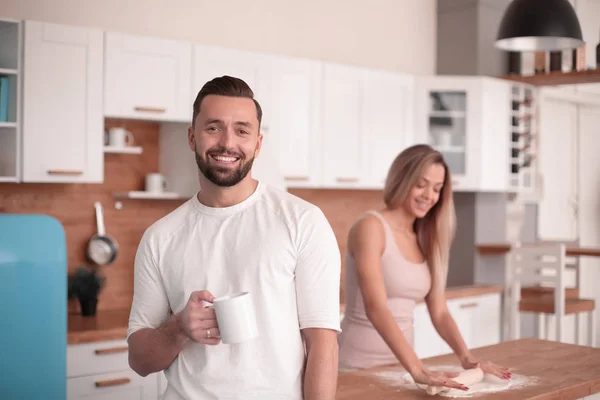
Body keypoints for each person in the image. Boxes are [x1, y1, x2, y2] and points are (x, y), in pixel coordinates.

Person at [127, 75, 341, 400]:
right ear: (192, 137)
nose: (227, 142)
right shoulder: (160, 237)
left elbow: (322, 344)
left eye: (242, 130)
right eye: (213, 127)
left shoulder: (302, 221)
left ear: (257, 143)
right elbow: (140, 361)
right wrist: (179, 327)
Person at [337, 144, 511, 391]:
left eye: (437, 189)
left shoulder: (427, 238)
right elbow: (376, 307)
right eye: (421, 184)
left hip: (400, 369)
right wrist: (418, 368)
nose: (429, 195)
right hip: (355, 365)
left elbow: (439, 312)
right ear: (402, 180)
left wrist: (467, 358)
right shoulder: (370, 227)